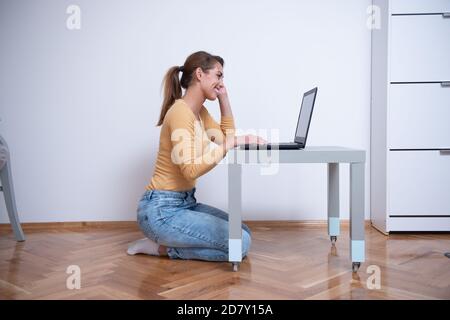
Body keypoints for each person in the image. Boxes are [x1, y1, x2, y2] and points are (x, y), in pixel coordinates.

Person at [127, 51, 266, 261]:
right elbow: (191, 168)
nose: (221, 81)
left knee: (243, 231)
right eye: (219, 75)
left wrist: (224, 98)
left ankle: (167, 244)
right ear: (200, 74)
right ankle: (160, 248)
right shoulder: (180, 112)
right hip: (161, 211)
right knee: (241, 243)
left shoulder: (199, 112)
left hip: (186, 202)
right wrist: (230, 143)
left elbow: (225, 138)